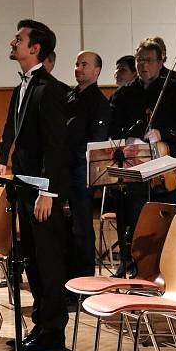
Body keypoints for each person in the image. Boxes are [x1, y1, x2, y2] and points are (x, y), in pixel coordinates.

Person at [0, 19, 70, 351]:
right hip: (24, 186)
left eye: (19, 39)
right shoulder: (21, 87)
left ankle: (53, 330)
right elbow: (11, 129)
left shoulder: (50, 89)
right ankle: (41, 326)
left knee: (49, 261)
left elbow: (57, 146)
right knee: (34, 262)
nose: (13, 42)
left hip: (43, 191)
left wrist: (48, 192)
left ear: (34, 48)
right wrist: (0, 159)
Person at [108, 39, 176, 277]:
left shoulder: (175, 84)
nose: (143, 65)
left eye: (149, 60)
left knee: (164, 219)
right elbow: (114, 127)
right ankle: (136, 268)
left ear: (161, 61)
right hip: (136, 166)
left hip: (165, 166)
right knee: (135, 219)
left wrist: (162, 133)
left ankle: (165, 271)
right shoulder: (126, 92)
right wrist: (127, 140)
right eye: (139, 60)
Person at [65, 51, 110, 279]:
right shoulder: (68, 97)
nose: (78, 68)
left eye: (84, 64)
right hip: (63, 171)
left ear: (97, 71)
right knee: (65, 229)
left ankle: (84, 280)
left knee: (81, 228)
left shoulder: (100, 103)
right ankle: (68, 278)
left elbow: (96, 143)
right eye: (76, 63)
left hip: (82, 173)